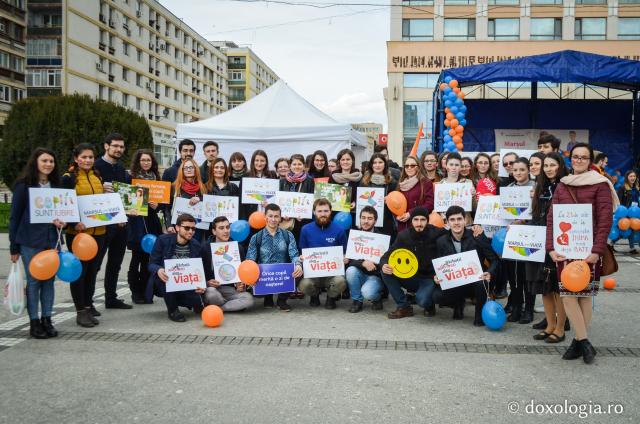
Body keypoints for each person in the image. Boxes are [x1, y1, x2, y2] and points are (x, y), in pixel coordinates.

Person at [547, 143, 617, 364]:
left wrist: (597, 251)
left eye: (583, 157)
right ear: (570, 159)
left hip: (588, 250)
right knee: (568, 295)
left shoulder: (600, 185)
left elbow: (605, 221)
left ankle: (578, 343)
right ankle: (584, 342)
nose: (578, 160)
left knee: (584, 296)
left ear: (590, 161)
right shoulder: (563, 185)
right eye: (575, 157)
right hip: (565, 249)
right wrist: (550, 248)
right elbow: (552, 219)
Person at [9, 148, 65, 338]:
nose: (49, 164)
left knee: (49, 282)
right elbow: (15, 217)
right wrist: (13, 246)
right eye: (44, 161)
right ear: (36, 162)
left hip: (52, 240)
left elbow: (63, 211)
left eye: (51, 161)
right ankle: (34, 322)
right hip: (30, 241)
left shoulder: (56, 185)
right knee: (34, 282)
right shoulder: (24, 186)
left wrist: (62, 221)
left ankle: (47, 320)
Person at [62, 143, 108, 327]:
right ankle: (80, 311)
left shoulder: (97, 176)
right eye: (84, 157)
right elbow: (64, 205)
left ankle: (88, 307)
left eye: (91, 157)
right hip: (79, 235)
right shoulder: (68, 178)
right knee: (79, 274)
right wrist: (74, 223)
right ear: (76, 158)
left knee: (91, 273)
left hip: (99, 232)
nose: (88, 160)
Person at [433, 206, 498, 326]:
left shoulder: (477, 236)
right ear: (447, 222)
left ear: (465, 220)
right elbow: (438, 265)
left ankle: (479, 313)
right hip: (455, 281)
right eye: (452, 220)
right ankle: (458, 304)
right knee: (436, 295)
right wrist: (436, 276)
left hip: (475, 281)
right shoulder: (441, 241)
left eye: (459, 219)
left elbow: (494, 260)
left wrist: (490, 272)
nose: (456, 223)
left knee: (481, 283)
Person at [528, 153, 569, 342]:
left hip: (559, 242)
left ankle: (560, 328)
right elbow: (535, 215)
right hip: (540, 242)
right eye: (546, 165)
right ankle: (550, 324)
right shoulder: (540, 187)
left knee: (557, 288)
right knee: (544, 287)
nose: (549, 168)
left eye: (553, 165)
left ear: (560, 166)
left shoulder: (566, 186)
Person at [380, 207, 447, 318]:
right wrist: (383, 265)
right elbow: (386, 256)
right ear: (411, 221)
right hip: (410, 276)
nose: (419, 223)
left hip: (429, 278)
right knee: (386, 272)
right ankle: (404, 306)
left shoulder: (436, 232)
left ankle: (429, 305)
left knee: (422, 301)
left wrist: (475, 229)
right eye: (416, 219)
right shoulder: (403, 236)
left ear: (427, 220)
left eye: (423, 220)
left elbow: (455, 232)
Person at [92, 133, 132, 309]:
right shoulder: (95, 166)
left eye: (121, 147)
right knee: (95, 264)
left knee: (115, 263)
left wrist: (124, 215)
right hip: (100, 224)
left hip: (120, 224)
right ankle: (87, 302)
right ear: (106, 146)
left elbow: (123, 196)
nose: (118, 149)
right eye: (115, 146)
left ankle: (111, 297)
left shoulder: (121, 168)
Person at [148, 213, 205, 322]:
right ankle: (173, 310)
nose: (190, 231)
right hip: (165, 281)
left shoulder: (196, 245)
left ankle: (189, 302)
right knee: (167, 278)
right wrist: (159, 270)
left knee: (197, 302)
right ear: (177, 227)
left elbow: (199, 269)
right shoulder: (163, 240)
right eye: (187, 228)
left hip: (186, 282)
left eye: (193, 228)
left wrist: (202, 284)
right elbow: (151, 264)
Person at [246, 203, 303, 311]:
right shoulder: (256, 237)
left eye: (276, 216)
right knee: (256, 291)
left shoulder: (288, 235)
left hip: (283, 274)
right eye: (270, 216)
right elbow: (250, 259)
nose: (273, 219)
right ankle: (268, 297)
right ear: (265, 217)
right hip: (264, 276)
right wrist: (249, 275)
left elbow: (294, 254)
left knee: (298, 270)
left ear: (280, 218)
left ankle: (282, 300)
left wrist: (298, 265)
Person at [298, 198, 348, 309]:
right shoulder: (305, 229)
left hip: (332, 273)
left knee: (340, 282)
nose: (323, 214)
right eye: (319, 211)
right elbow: (303, 250)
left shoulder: (339, 230)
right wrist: (302, 257)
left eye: (326, 211)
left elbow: (344, 252)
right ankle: (314, 295)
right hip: (313, 273)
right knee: (304, 285)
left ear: (330, 212)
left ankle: (331, 297)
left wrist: (345, 258)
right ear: (314, 212)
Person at [127, 149, 163, 304]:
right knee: (136, 258)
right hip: (136, 223)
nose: (146, 163)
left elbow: (163, 203)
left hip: (152, 222)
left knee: (149, 259)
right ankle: (136, 292)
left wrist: (158, 206)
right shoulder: (131, 178)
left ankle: (146, 291)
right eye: (143, 160)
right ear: (138, 162)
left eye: (148, 160)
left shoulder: (157, 179)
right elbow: (126, 202)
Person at [504, 157, 536, 324]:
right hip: (513, 237)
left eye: (522, 169)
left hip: (530, 237)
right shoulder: (509, 188)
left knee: (528, 275)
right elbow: (505, 214)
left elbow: (538, 213)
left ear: (528, 170)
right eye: (515, 170)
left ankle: (529, 310)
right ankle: (516, 307)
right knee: (514, 275)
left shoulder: (535, 188)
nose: (518, 173)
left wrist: (523, 220)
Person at [201, 216, 254, 311]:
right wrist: (207, 283)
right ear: (214, 231)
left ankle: (219, 308)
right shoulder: (205, 248)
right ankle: (230, 305)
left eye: (227, 227)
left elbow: (242, 272)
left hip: (230, 290)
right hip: (213, 289)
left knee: (248, 299)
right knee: (211, 294)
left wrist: (241, 284)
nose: (226, 231)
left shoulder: (237, 247)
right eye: (221, 228)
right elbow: (200, 273)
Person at [345, 206, 384, 313]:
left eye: (370, 218)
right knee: (350, 270)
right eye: (363, 217)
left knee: (368, 292)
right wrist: (363, 263)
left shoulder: (382, 238)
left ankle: (377, 298)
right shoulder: (354, 236)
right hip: (359, 273)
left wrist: (375, 264)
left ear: (375, 221)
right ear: (360, 218)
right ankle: (357, 300)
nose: (366, 221)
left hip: (375, 276)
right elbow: (350, 260)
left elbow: (385, 262)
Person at [166, 158, 208, 242]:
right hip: (179, 228)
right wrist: (169, 225)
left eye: (191, 167)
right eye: (186, 168)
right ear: (182, 170)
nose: (188, 170)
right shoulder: (174, 187)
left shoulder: (203, 187)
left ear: (196, 169)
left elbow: (208, 205)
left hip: (197, 229)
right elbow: (167, 208)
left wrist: (200, 198)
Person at [360, 153, 397, 239]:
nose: (377, 165)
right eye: (375, 162)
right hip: (367, 222)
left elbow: (396, 201)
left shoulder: (392, 182)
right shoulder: (364, 182)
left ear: (385, 164)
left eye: (380, 162)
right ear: (371, 165)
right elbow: (360, 201)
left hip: (386, 221)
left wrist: (390, 199)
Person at [279, 154, 314, 239]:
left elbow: (312, 200)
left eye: (299, 164)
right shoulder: (283, 181)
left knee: (300, 245)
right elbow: (279, 201)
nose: (297, 166)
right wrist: (282, 214)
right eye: (294, 164)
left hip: (303, 221)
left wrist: (304, 214)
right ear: (290, 166)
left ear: (304, 166)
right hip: (286, 221)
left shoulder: (309, 181)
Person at [396, 155, 434, 232]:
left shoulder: (426, 183)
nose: (409, 168)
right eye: (407, 166)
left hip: (419, 226)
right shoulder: (401, 183)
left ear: (418, 167)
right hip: (403, 226)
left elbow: (430, 204)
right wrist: (396, 214)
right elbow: (397, 204)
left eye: (412, 165)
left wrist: (411, 213)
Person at [329, 149, 362, 218]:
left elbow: (362, 194)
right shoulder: (333, 176)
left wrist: (355, 202)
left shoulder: (358, 176)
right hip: (335, 214)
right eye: (342, 159)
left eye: (348, 159)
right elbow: (329, 194)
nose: (345, 162)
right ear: (339, 161)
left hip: (353, 213)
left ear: (352, 161)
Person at [616, 170, 640, 253]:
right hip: (626, 212)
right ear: (627, 177)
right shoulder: (622, 188)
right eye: (631, 176)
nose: (633, 178)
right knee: (627, 230)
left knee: (631, 230)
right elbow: (618, 201)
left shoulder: (637, 188)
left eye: (634, 176)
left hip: (636, 212)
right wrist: (623, 213)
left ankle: (612, 243)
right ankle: (631, 248)